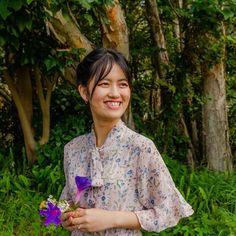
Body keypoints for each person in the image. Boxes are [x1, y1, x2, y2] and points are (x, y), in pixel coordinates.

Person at [60, 48, 194, 236]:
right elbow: (69, 201)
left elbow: (169, 210)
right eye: (105, 84)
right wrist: (66, 217)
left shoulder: (141, 148)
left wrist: (111, 218)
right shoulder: (73, 149)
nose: (115, 93)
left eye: (122, 84)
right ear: (84, 92)